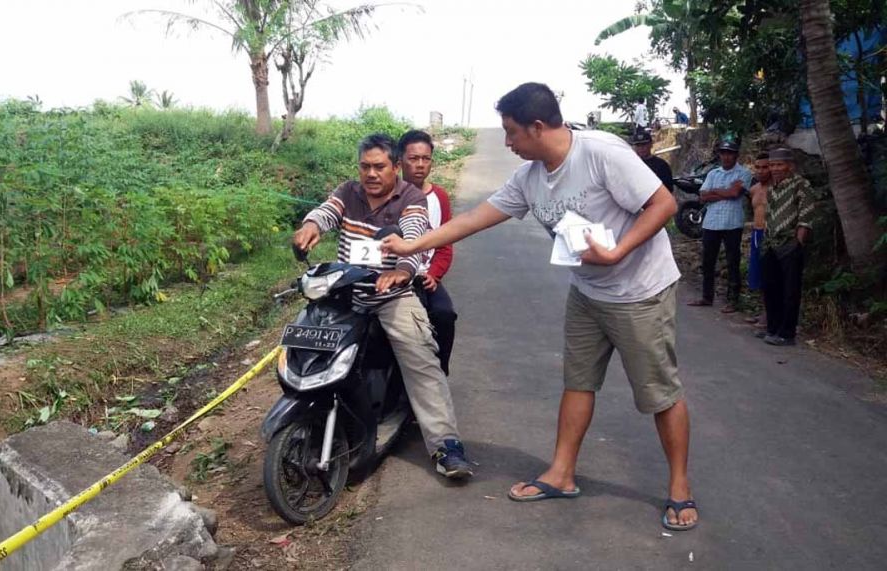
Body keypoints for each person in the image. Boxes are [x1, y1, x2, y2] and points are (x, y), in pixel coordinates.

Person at [381, 82, 698, 531]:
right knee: (578, 382)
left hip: (640, 292)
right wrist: (414, 243)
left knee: (659, 393)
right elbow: (474, 219)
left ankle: (680, 487)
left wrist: (618, 251)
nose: (507, 143)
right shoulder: (531, 178)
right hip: (589, 294)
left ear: (536, 126)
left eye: (511, 133)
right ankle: (562, 474)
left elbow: (662, 204)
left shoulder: (601, 153)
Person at [293, 133, 473, 479]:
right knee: (307, 344)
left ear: (395, 167)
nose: (371, 174)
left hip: (392, 295)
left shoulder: (412, 198)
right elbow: (328, 211)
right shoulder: (348, 192)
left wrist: (403, 271)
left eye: (379, 167)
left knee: (420, 357)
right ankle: (308, 419)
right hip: (346, 294)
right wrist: (311, 225)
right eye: (365, 167)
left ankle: (445, 445)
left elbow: (414, 236)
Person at [397, 129, 458, 376]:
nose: (420, 165)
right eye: (413, 159)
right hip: (391, 274)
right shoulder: (388, 194)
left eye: (426, 159)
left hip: (423, 277)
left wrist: (434, 274)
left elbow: (445, 245)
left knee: (444, 315)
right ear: (400, 161)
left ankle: (439, 373)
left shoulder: (439, 197)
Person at [757, 148, 816, 346]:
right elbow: (770, 214)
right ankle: (772, 328)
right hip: (771, 243)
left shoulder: (801, 185)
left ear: (790, 165)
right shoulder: (774, 187)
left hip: (789, 243)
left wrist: (798, 242)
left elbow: (806, 214)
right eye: (773, 165)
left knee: (790, 290)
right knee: (770, 287)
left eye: (779, 165)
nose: (775, 169)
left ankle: (787, 333)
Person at [686, 137, 753, 313]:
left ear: (736, 155)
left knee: (733, 261)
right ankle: (707, 297)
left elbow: (735, 193)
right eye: (723, 153)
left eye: (730, 153)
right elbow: (703, 196)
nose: (726, 157)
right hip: (711, 222)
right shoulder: (712, 173)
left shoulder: (744, 173)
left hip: (732, 223)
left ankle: (733, 300)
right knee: (707, 261)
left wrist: (714, 192)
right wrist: (726, 192)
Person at [745, 153, 771, 326]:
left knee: (770, 276)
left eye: (765, 167)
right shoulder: (754, 189)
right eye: (758, 167)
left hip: (771, 235)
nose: (761, 171)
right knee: (758, 275)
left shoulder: (776, 189)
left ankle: (770, 314)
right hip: (756, 233)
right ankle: (764, 311)